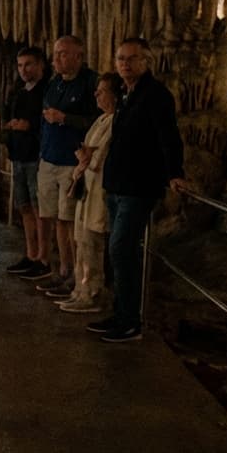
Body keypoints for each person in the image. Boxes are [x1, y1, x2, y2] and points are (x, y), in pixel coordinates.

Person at [88, 38, 186, 342]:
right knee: (118, 251)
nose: (125, 64)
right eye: (120, 59)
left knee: (121, 249)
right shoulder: (126, 95)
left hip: (139, 186)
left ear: (146, 62)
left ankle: (130, 322)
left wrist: (175, 174)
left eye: (132, 59)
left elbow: (168, 136)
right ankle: (120, 314)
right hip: (118, 184)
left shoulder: (156, 96)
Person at [35, 36, 99, 298]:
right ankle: (62, 269)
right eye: (56, 53)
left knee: (70, 220)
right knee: (55, 219)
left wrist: (65, 118)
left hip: (71, 163)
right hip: (49, 158)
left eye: (63, 54)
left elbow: (98, 120)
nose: (57, 58)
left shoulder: (90, 84)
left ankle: (77, 275)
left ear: (78, 56)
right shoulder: (55, 83)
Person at [56, 72, 121, 314]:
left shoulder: (116, 121)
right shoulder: (102, 119)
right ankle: (81, 289)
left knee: (93, 242)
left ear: (114, 95)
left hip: (99, 189)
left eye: (102, 91)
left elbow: (98, 155)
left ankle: (93, 293)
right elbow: (88, 151)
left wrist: (87, 157)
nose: (96, 94)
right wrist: (85, 156)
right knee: (81, 240)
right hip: (87, 186)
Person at [2, 46, 50, 278]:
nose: (24, 70)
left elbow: (45, 121)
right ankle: (30, 253)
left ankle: (43, 256)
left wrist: (29, 125)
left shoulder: (46, 91)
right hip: (19, 155)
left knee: (38, 208)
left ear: (41, 65)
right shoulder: (18, 92)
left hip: (36, 156)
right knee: (24, 207)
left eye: (28, 64)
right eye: (20, 65)